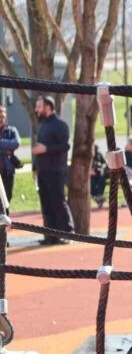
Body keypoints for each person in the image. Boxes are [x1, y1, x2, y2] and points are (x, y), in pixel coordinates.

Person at [32, 96, 73, 245]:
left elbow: (65, 146)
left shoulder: (60, 125)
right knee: (46, 203)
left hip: (55, 171)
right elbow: (38, 149)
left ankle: (67, 233)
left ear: (48, 107)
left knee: (58, 202)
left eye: (39, 106)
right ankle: (50, 236)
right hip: (43, 171)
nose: (36, 109)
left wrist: (46, 149)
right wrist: (35, 168)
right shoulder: (42, 125)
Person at [0, 106, 20, 208]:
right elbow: (10, 145)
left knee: (7, 198)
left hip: (7, 171)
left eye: (3, 114)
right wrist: (6, 149)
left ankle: (5, 222)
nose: (1, 116)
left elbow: (16, 143)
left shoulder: (12, 130)